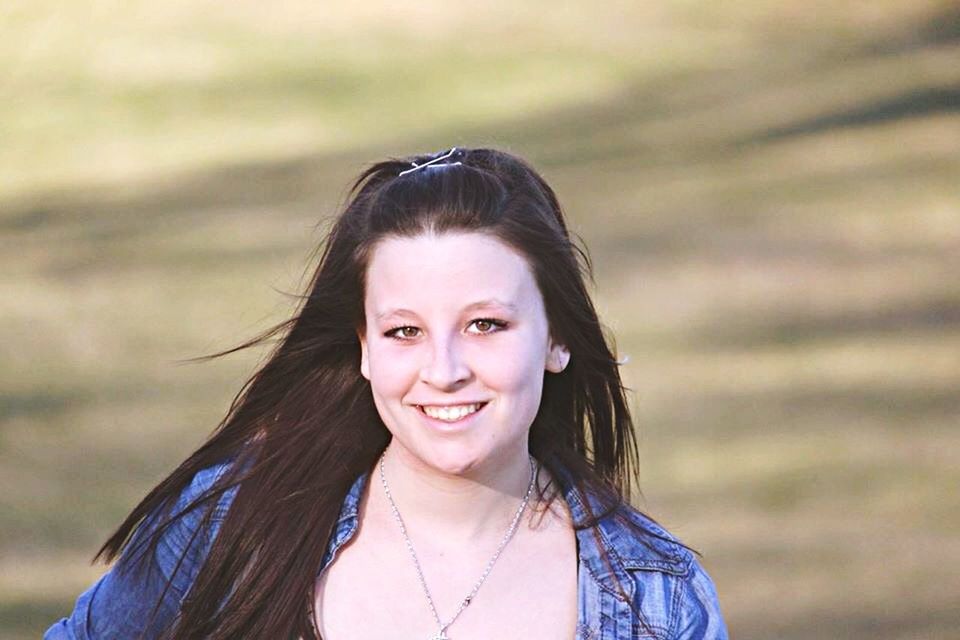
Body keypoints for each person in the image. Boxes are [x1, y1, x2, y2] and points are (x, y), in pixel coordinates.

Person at [45, 147, 728, 639]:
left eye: (485, 324)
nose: (444, 368)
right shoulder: (234, 523)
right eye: (404, 331)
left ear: (557, 340)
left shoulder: (655, 597)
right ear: (365, 349)